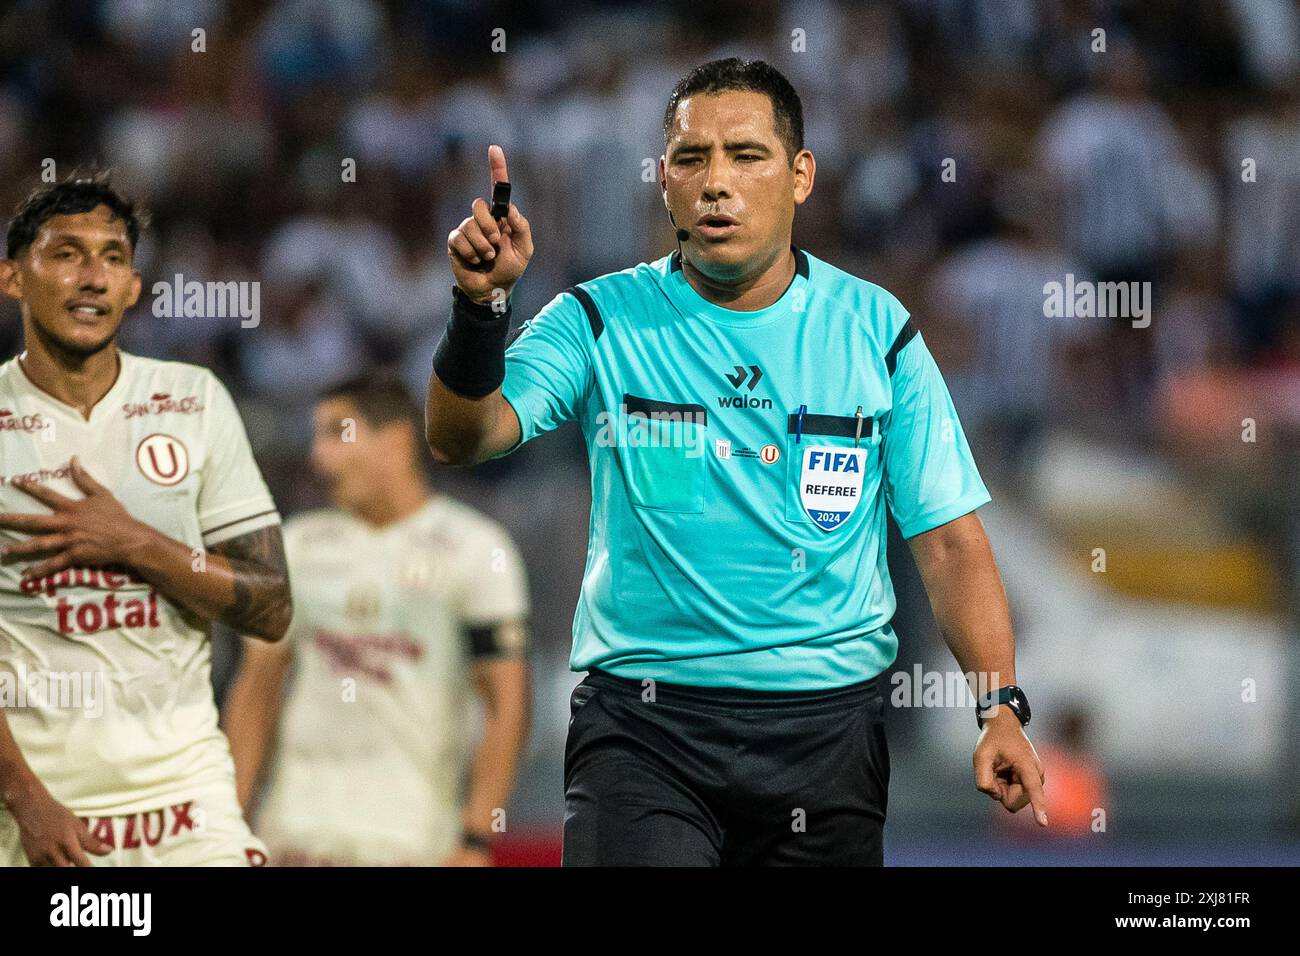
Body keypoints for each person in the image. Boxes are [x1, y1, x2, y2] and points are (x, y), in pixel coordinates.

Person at [425, 58, 1045, 866]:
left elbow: (949, 540)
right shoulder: (597, 318)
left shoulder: (876, 331)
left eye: (745, 155)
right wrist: (479, 310)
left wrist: (998, 706)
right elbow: (462, 435)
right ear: (665, 182)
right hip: (644, 736)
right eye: (691, 158)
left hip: (827, 746)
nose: (716, 181)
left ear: (800, 177)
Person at [0, 172, 290, 866]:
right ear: (13, 278)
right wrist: (26, 802)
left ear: (133, 287)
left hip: (190, 809)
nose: (93, 277)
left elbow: (272, 607)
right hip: (44, 814)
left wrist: (134, 542)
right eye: (66, 254)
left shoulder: (191, 400)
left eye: (113, 257)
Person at [224, 373, 531, 866]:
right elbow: (256, 688)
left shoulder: (476, 549)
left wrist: (476, 836)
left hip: (412, 843)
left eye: (337, 433)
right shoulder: (295, 545)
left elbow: (505, 705)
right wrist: (229, 821)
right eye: (317, 437)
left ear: (396, 439)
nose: (319, 456)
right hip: (293, 838)